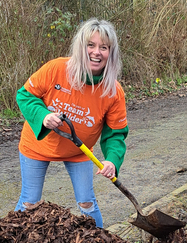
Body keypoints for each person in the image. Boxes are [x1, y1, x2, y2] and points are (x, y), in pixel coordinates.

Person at [14, 18, 128, 228]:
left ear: (110, 53)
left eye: (103, 47)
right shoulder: (56, 69)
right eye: (90, 45)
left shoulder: (113, 90)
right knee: (29, 203)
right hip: (36, 147)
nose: (96, 52)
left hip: (79, 151)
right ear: (80, 47)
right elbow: (25, 95)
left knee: (86, 202)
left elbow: (115, 133)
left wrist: (112, 160)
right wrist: (42, 116)